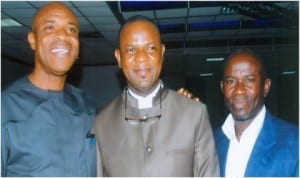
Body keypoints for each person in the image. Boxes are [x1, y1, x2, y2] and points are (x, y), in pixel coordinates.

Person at [93, 15, 219, 177]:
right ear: (119, 57)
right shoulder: (101, 124)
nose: (141, 57)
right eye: (131, 50)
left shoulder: (194, 114)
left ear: (162, 52)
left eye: (150, 48)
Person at [1, 2, 97, 176]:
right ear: (33, 40)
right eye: (49, 27)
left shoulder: (87, 105)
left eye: (71, 30)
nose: (62, 36)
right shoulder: (5, 108)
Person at [214, 47, 299, 177]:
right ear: (222, 87)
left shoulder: (294, 143)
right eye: (231, 81)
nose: (239, 90)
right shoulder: (211, 142)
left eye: (249, 80)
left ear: (266, 87)